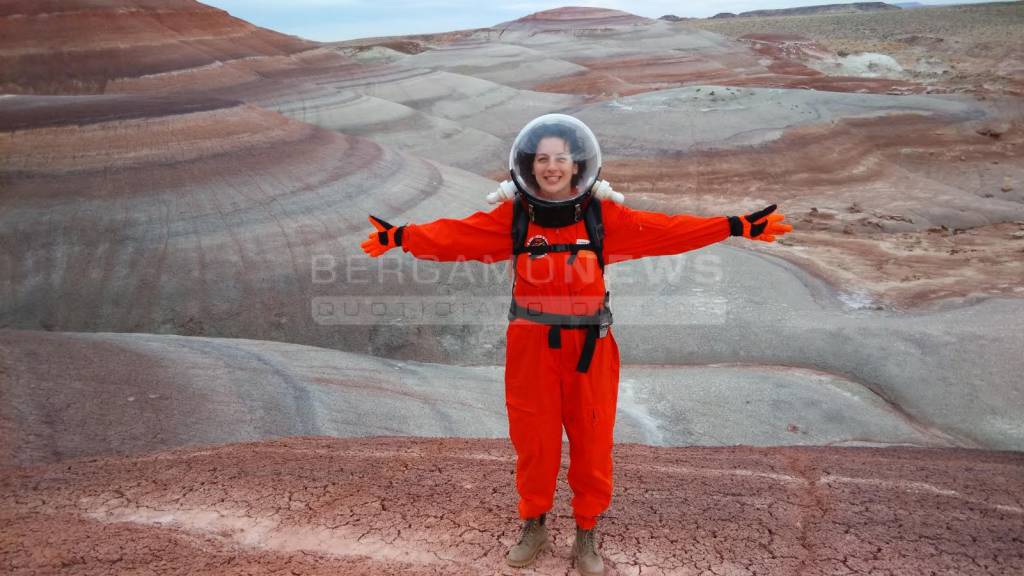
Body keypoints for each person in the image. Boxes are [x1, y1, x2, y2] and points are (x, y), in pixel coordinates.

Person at [360, 114, 791, 575]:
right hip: (531, 348)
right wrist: (401, 237)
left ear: (576, 164)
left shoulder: (602, 217)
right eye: (543, 158)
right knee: (534, 441)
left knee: (592, 441)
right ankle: (535, 524)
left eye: (560, 158)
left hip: (591, 348)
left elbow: (666, 230)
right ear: (530, 164)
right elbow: (454, 235)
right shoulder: (513, 217)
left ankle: (587, 531)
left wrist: (734, 226)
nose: (551, 166)